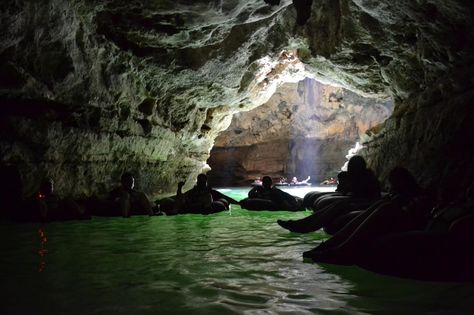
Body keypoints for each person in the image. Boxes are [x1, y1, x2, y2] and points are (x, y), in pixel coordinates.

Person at [304, 167, 433, 265]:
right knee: (380, 206)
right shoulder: (397, 195)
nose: (394, 186)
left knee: (385, 207)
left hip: (406, 223)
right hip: (387, 213)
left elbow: (416, 212)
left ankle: (341, 250)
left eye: (396, 182)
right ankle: (329, 245)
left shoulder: (420, 197)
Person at [160, 174, 238, 215]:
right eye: (200, 181)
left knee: (208, 196)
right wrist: (179, 188)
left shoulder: (210, 192)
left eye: (203, 182)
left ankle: (207, 209)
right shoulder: (193, 191)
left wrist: (238, 203)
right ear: (197, 182)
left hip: (204, 207)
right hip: (193, 206)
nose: (201, 183)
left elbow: (225, 197)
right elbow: (180, 198)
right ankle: (175, 210)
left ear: (206, 182)